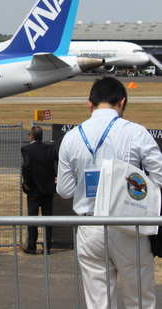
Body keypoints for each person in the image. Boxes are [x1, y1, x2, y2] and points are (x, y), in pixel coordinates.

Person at [57, 77, 162, 309]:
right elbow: (160, 177)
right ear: (122, 102)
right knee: (140, 299)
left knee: (99, 301)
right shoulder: (136, 132)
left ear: (89, 103)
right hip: (128, 224)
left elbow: (64, 190)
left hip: (89, 227)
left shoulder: (71, 137)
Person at [21, 125, 57, 254]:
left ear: (31, 136)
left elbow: (26, 166)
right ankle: (47, 247)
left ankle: (31, 246)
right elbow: (58, 162)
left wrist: (26, 183)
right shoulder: (50, 149)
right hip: (48, 189)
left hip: (34, 190)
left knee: (32, 219)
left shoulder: (27, 149)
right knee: (48, 219)